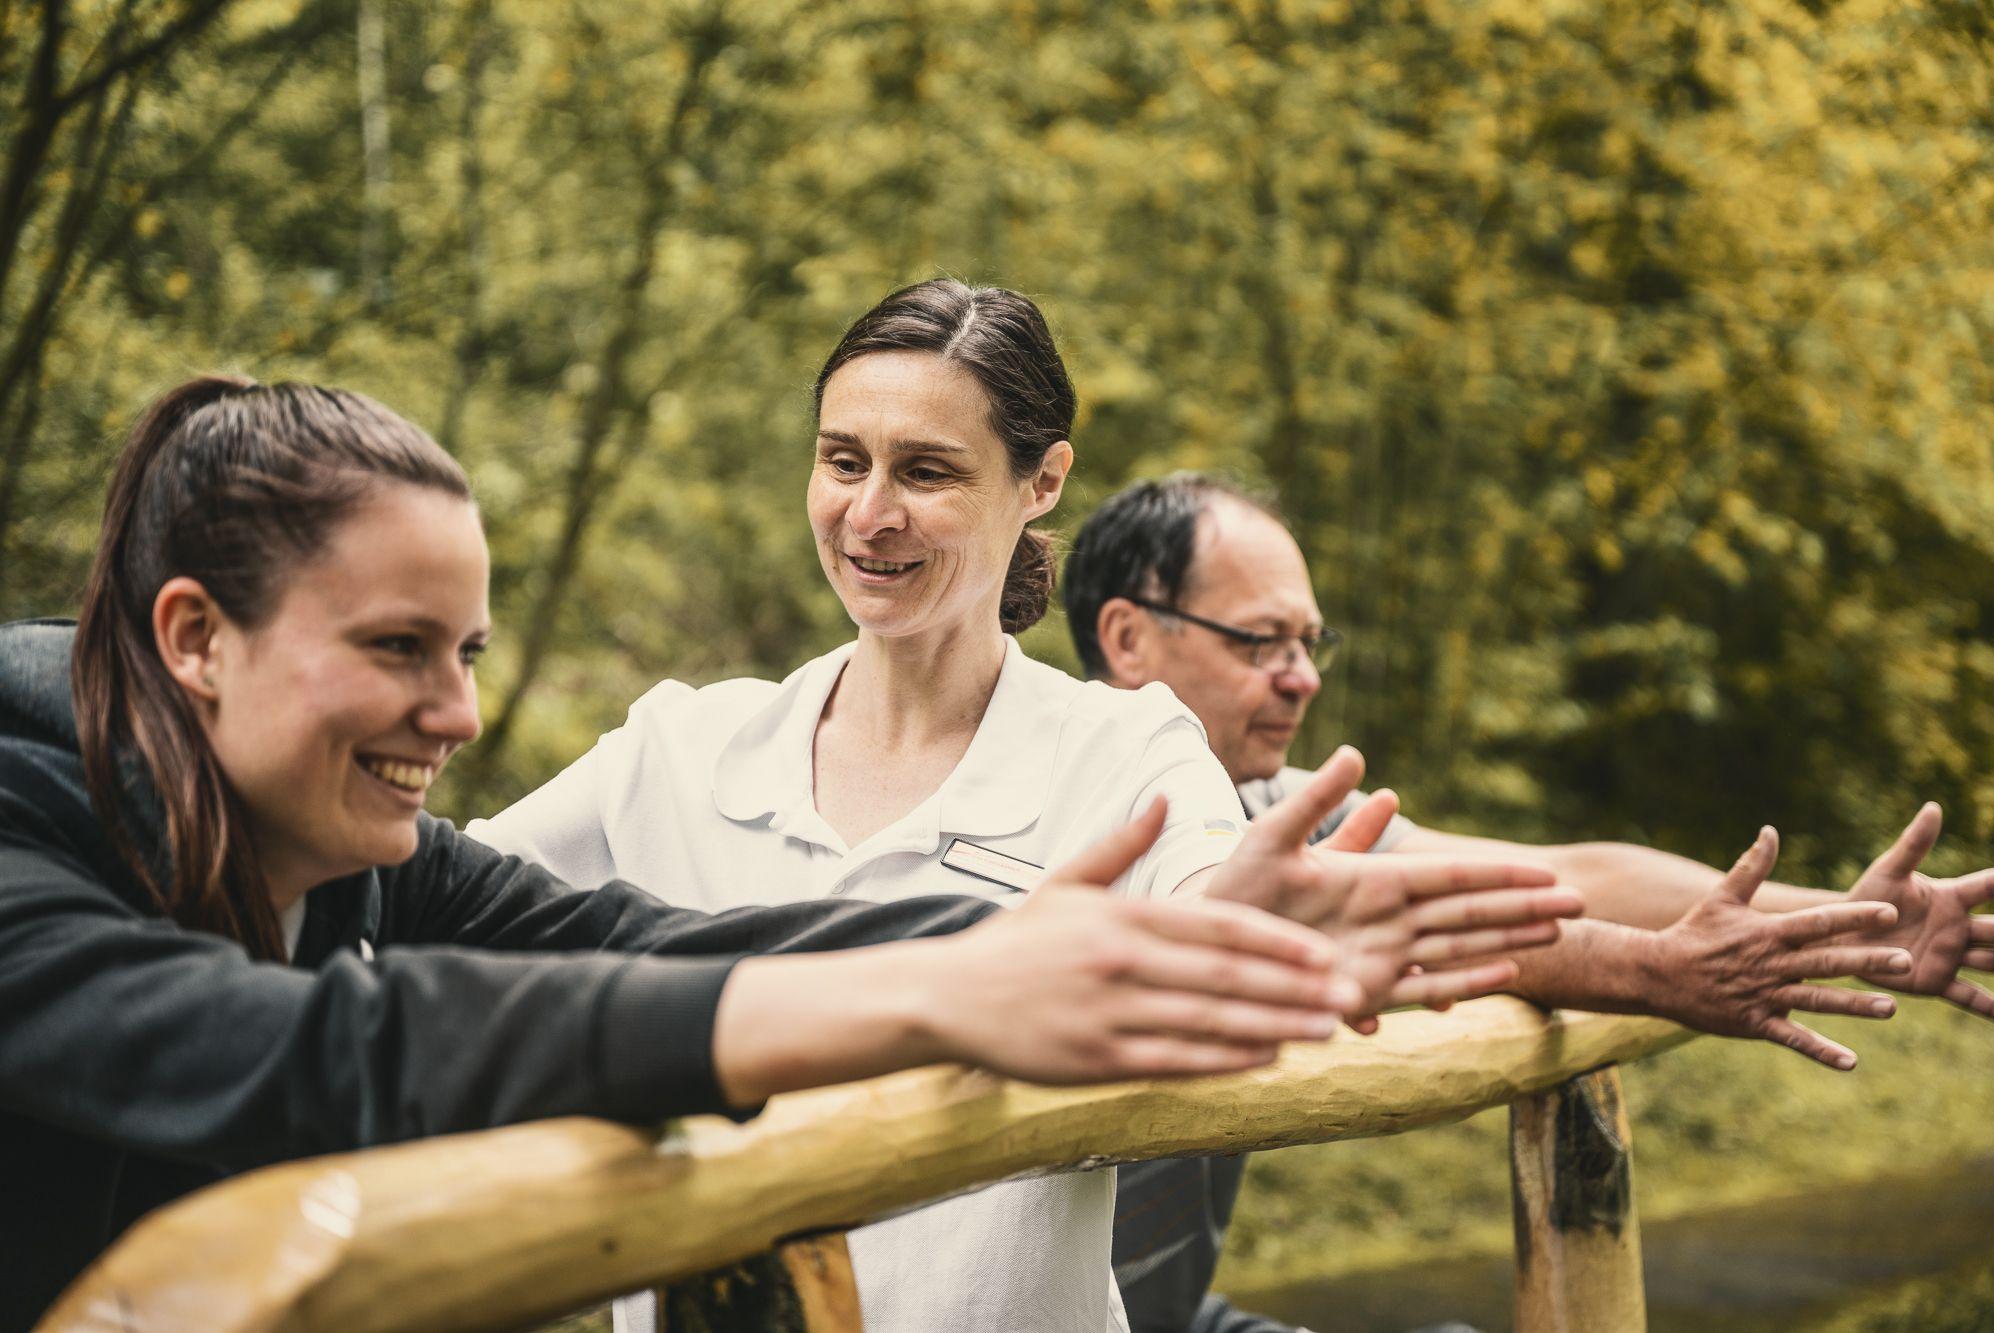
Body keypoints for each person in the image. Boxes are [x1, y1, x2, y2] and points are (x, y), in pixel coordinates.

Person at [0, 378, 1377, 1329]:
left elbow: (649, 942)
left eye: (466, 653)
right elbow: (333, 1049)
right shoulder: (21, 837)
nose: (460, 714)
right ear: (195, 639)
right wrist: (945, 994)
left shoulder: (340, 846)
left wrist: (1072, 944)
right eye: (397, 649)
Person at [469, 281, 1586, 1333]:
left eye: (927, 472)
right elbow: (419, 911)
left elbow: (1208, 895)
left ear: (1042, 481)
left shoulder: (1124, 749)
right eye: (842, 460)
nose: (870, 513)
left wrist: (1249, 926)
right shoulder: (677, 748)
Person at [1064, 472, 1994, 1333]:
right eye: (1261, 640)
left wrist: (1849, 919)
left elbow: (1550, 875)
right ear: (1129, 637)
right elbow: (1437, 922)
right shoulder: (1059, 814)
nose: (1302, 675)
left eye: (1311, 643)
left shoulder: (1266, 802)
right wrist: (1657, 969)